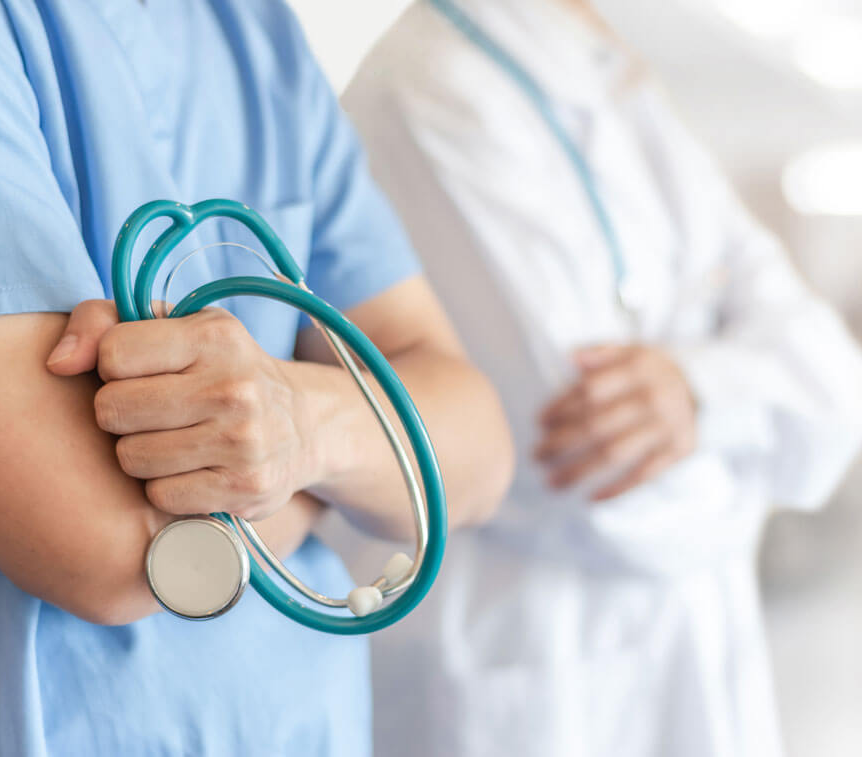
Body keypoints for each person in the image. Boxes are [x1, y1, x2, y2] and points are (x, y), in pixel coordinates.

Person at [0, 1, 514, 755]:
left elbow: (479, 451)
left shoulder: (252, 29)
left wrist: (298, 426)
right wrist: (343, 460)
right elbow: (111, 552)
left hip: (306, 725)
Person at [334, 1, 862, 754]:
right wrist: (753, 440)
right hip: (531, 654)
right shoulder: (433, 88)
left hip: (680, 642)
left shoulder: (613, 69)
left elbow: (835, 386)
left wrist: (695, 391)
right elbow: (598, 472)